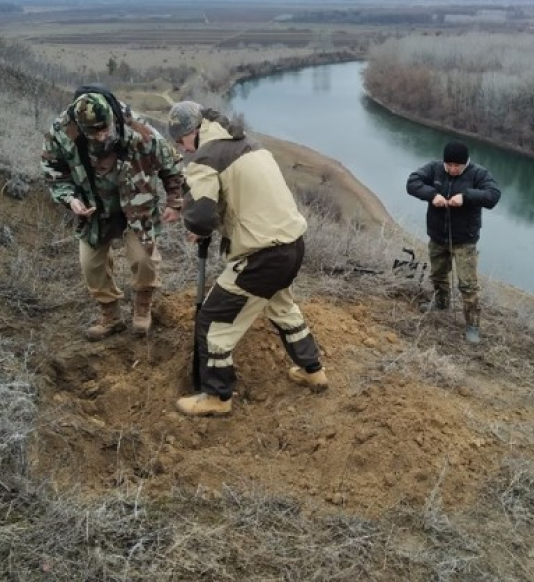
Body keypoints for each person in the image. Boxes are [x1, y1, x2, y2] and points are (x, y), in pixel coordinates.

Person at [168, 101, 327, 417]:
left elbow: (200, 218)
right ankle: (313, 371)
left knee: (213, 321)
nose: (181, 148)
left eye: (181, 140)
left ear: (194, 133)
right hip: (292, 246)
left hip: (262, 257)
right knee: (282, 307)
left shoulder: (205, 157)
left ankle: (216, 396)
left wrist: (194, 222)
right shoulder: (249, 144)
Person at [41, 85, 184, 340]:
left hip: (136, 207)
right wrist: (71, 199)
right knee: (90, 264)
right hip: (94, 210)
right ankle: (111, 316)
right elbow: (53, 170)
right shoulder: (62, 132)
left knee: (144, 260)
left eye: (106, 129)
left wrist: (175, 202)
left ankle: (142, 307)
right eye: (93, 133)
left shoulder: (138, 128)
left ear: (113, 118)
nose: (102, 136)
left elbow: (170, 164)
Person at [406, 140, 501, 343]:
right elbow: (412, 183)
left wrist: (465, 197)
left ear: (466, 162)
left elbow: (493, 196)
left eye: (456, 165)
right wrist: (432, 195)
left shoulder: (478, 173)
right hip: (438, 236)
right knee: (438, 274)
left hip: (465, 240)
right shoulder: (434, 169)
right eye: (448, 165)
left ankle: (473, 326)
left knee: (468, 286)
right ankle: (441, 303)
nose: (452, 169)